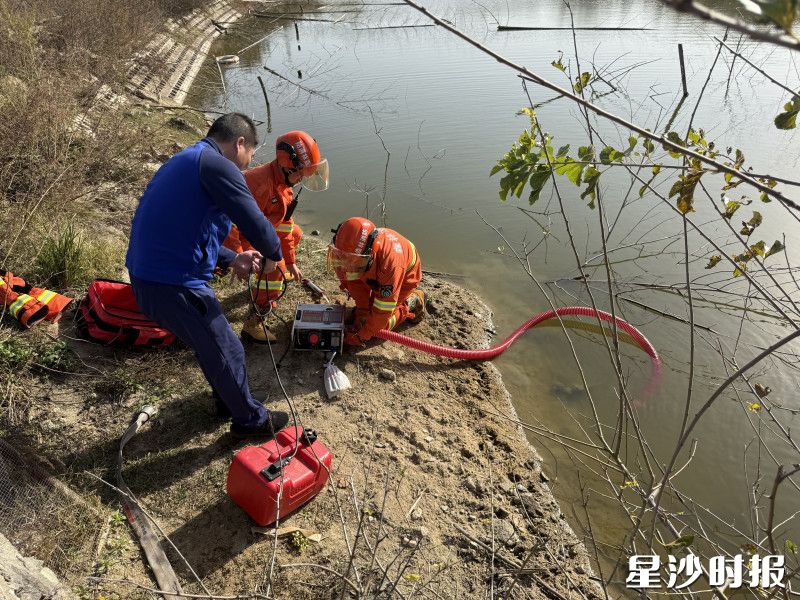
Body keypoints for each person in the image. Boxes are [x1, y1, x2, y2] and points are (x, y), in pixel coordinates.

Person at [125, 112, 289, 438]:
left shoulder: (190, 159)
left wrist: (231, 258)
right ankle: (251, 422)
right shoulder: (218, 164)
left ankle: (227, 402)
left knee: (213, 346)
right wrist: (274, 255)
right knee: (228, 349)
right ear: (239, 143)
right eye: (248, 158)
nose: (244, 167)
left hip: (153, 276)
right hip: (170, 282)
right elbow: (253, 219)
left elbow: (192, 229)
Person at [224, 131, 329, 343]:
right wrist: (237, 257)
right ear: (286, 164)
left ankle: (268, 280)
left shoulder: (282, 184)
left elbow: (284, 225)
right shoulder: (259, 184)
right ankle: (254, 322)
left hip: (258, 232)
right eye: (300, 174)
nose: (302, 179)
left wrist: (291, 261)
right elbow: (229, 223)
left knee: (296, 234)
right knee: (275, 269)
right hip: (243, 237)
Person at [328, 217, 425, 346]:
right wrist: (362, 311)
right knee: (363, 304)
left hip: (404, 277)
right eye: (344, 259)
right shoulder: (356, 256)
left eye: (352, 262)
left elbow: (383, 311)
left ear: (369, 252)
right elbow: (354, 283)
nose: (346, 268)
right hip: (373, 268)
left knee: (380, 326)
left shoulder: (391, 266)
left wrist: (362, 336)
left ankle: (413, 301)